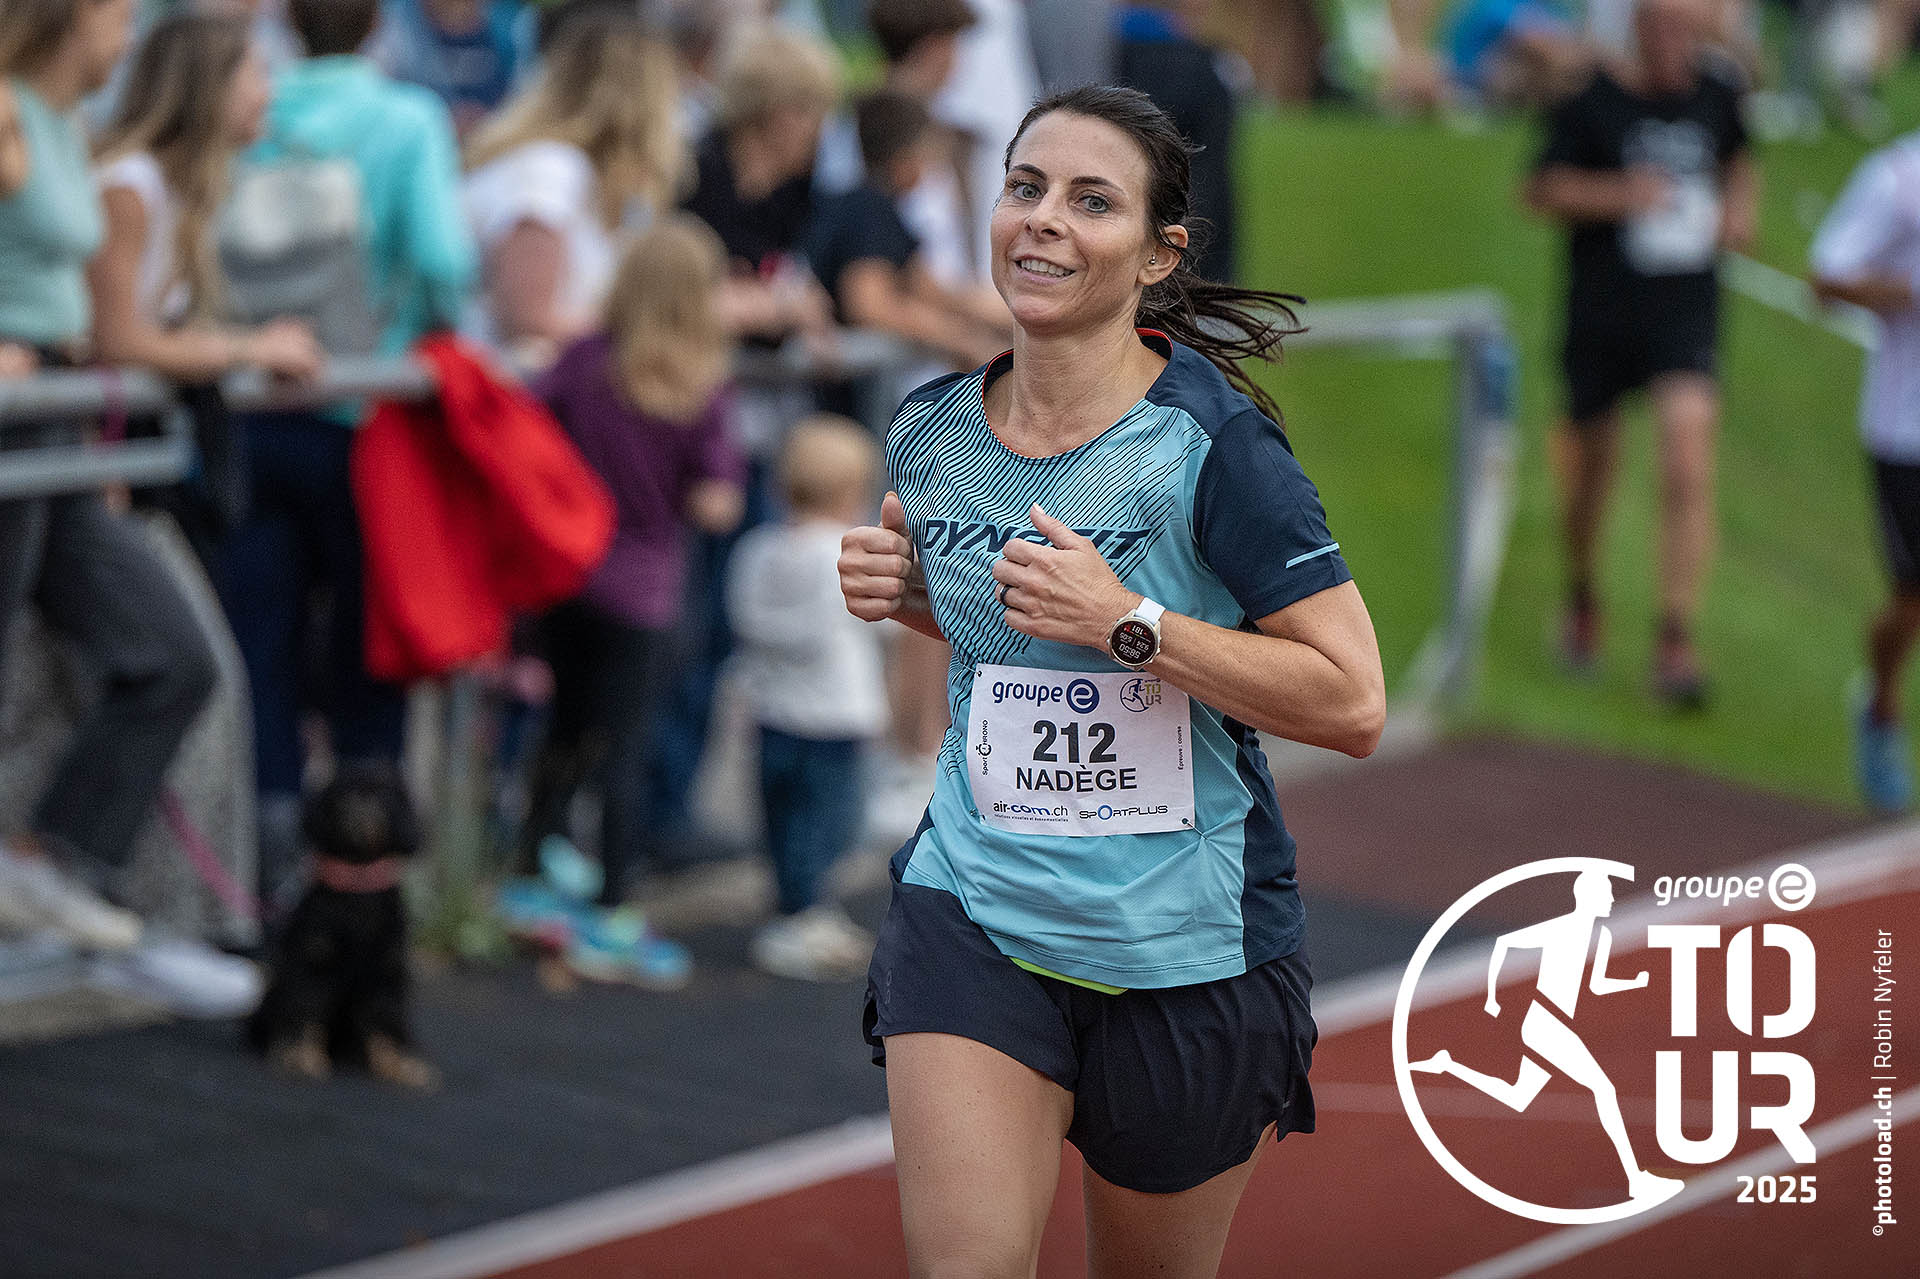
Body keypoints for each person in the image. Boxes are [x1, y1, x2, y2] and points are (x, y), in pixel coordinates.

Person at [841, 86, 1384, 1274]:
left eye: (1092, 201)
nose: (1043, 218)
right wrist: (912, 592)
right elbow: (1013, 649)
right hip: (976, 908)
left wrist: (1130, 624)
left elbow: (1351, 701)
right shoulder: (931, 432)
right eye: (1025, 187)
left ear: (1157, 254)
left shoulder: (1214, 447)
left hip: (1184, 946)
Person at [212, 0, 476, 910]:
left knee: (261, 643)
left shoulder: (257, 106)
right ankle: (366, 873)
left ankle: (265, 870)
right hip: (368, 409)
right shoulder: (406, 119)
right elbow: (442, 259)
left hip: (255, 402)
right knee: (373, 646)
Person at [0, 0, 220, 957]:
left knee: (173, 653)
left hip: (56, 411)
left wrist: (93, 423)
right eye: (118, 16)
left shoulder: (63, 122)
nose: (130, 38)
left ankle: (50, 858)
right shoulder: (7, 106)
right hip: (18, 408)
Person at [506, 215, 747, 987]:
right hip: (642, 595)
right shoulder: (701, 385)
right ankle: (611, 910)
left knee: (563, 729)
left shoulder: (584, 361)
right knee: (624, 750)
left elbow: (528, 427)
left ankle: (530, 878)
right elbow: (717, 504)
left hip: (566, 577)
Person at [1527, 0, 1755, 710]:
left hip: (1684, 311)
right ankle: (1582, 594)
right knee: (1592, 472)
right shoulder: (1592, 100)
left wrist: (1737, 213)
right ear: (1638, 28)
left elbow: (1741, 163)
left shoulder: (1719, 95)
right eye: (1660, 27)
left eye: (1685, 30)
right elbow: (1541, 188)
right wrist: (1624, 195)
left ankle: (1675, 638)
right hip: (1603, 311)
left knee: (1687, 459)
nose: (1673, 43)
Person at [727, 415, 887, 982]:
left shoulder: (757, 548)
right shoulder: (840, 552)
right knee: (829, 825)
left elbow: (744, 619)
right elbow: (847, 623)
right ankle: (800, 918)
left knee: (784, 821)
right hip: (835, 717)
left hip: (774, 713)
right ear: (853, 491)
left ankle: (800, 910)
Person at [88, 11, 324, 387]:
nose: (269, 93)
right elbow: (118, 340)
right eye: (256, 74)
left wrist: (258, 344)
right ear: (211, 85)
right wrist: (251, 350)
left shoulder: (177, 191)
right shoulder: (130, 184)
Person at [462, 6, 685, 366]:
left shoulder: (588, 176)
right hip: (505, 387)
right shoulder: (548, 170)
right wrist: (648, 333)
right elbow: (528, 318)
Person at [1810, 127, 1920, 812]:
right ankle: (1880, 704)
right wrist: (1906, 291)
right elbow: (1826, 278)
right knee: (1912, 599)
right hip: (1907, 430)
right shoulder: (1898, 180)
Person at [804, 91, 1010, 373]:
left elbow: (931, 290)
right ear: (903, 160)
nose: (932, 168)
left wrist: (1015, 315)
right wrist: (961, 340)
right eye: (927, 154)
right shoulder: (867, 208)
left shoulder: (885, 212)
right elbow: (869, 304)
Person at [369, 0, 536, 140]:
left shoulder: (514, 25)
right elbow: (375, 102)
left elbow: (526, 109)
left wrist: (491, 126)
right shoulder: (391, 21)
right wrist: (440, 124)